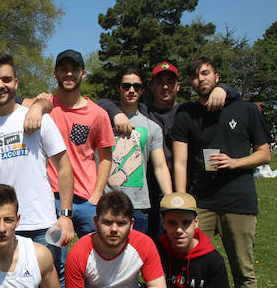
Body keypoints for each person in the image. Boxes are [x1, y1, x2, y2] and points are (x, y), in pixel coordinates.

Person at [172, 57, 271, 288]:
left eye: (205, 73)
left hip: (238, 201)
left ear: (217, 75)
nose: (199, 79)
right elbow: (179, 160)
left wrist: (234, 163)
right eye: (194, 76)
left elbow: (265, 154)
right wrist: (181, 200)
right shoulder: (187, 113)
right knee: (188, 263)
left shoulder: (245, 109)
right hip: (201, 201)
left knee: (243, 266)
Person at [96, 61, 236, 236]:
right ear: (152, 87)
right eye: (160, 82)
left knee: (165, 244)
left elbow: (228, 96)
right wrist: (116, 114)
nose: (165, 87)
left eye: (170, 82)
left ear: (177, 86)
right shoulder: (144, 110)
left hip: (175, 187)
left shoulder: (187, 111)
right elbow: (99, 102)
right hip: (145, 189)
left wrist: (222, 88)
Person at [0, 53, 75, 257]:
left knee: (52, 285)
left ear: (15, 83)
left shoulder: (40, 119)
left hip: (43, 224)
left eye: (6, 79)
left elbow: (65, 167)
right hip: (0, 227)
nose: (0, 85)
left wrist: (66, 216)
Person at [49, 49, 115, 285]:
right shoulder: (46, 107)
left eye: (74, 69)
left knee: (102, 258)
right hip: (53, 199)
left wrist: (97, 194)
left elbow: (106, 157)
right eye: (64, 69)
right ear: (55, 73)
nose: (69, 73)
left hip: (87, 200)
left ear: (83, 74)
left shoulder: (97, 114)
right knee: (57, 265)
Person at [104, 67, 173, 236]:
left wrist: (170, 200)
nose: (131, 90)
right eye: (126, 86)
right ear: (117, 88)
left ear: (143, 90)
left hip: (139, 205)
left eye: (137, 86)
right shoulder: (103, 120)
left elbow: (160, 167)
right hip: (105, 202)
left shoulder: (152, 127)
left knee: (137, 256)